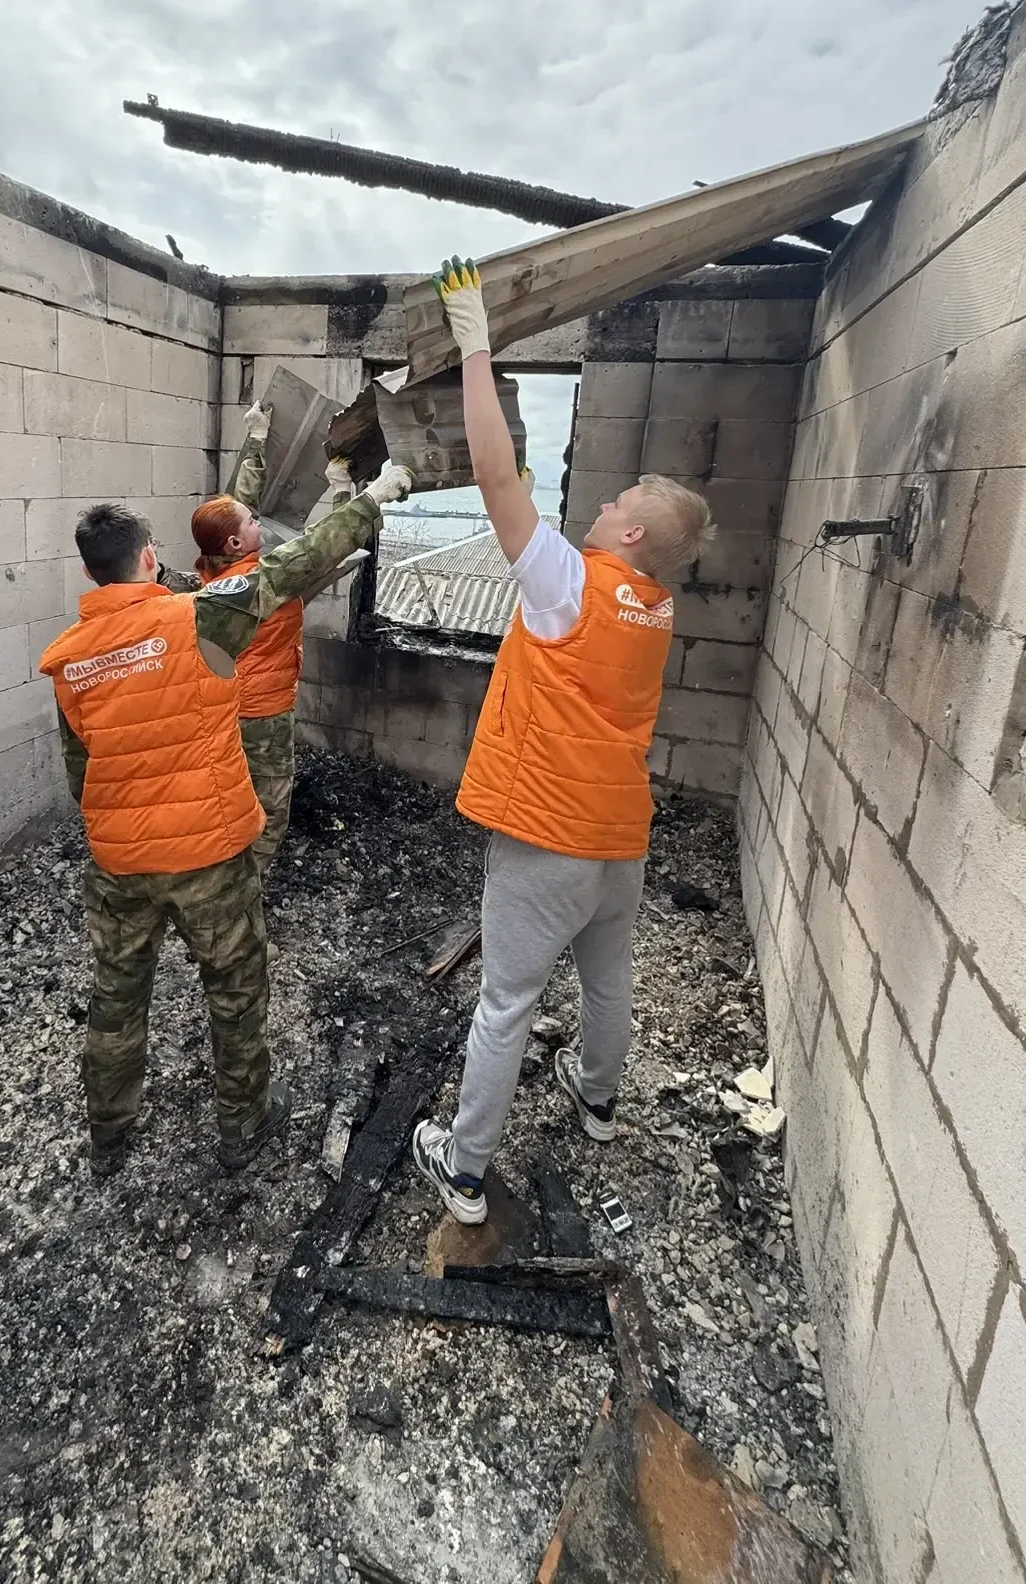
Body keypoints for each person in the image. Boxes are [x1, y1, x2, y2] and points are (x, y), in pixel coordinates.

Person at [410, 256, 716, 1226]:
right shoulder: (652, 606)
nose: (607, 504)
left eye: (619, 503)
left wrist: (475, 345)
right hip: (619, 833)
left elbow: (494, 473)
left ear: (633, 536)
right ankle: (596, 1098)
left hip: (548, 834)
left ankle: (463, 1169)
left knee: (505, 1002)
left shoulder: (572, 583)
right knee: (608, 976)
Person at [39, 459, 412, 1179]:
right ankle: (243, 1126)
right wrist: (367, 501)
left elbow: (81, 774)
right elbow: (295, 564)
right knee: (236, 991)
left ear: (90, 574)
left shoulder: (69, 662)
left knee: (116, 997)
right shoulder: (200, 617)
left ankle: (109, 1139)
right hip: (207, 856)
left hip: (120, 865)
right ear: (149, 559)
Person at [187, 402, 352, 883]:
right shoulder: (267, 581)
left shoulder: (214, 569)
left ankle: (215, 867)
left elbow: (237, 510)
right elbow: (327, 545)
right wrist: (345, 491)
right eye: (252, 524)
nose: (259, 522)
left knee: (228, 795)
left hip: (222, 706)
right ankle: (242, 892)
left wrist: (257, 440)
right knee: (270, 804)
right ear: (237, 544)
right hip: (262, 713)